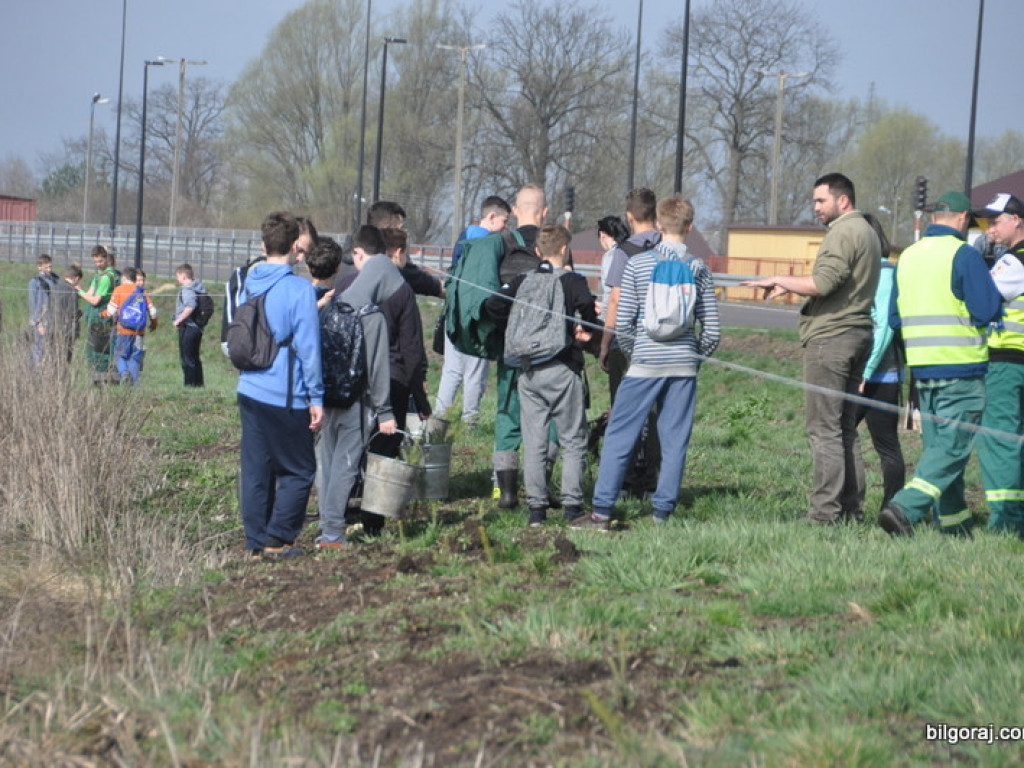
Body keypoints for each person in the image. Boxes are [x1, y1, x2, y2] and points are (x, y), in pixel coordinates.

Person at [743, 173, 881, 525]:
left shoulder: (843, 231)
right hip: (858, 332)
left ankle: (824, 513)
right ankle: (850, 509)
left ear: (843, 200)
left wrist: (779, 280)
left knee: (824, 430)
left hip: (832, 338)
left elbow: (823, 282)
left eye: (821, 200)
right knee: (845, 428)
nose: (816, 207)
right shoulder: (866, 230)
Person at [576, 197, 720, 529]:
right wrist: (693, 358)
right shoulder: (699, 268)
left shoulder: (638, 265)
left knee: (620, 435)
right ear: (690, 227)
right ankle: (662, 512)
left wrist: (635, 352)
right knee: (674, 439)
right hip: (682, 366)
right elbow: (712, 331)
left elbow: (623, 323)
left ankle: (601, 510)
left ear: (658, 225)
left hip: (643, 363)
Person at [877, 191, 1002, 537]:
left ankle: (954, 527)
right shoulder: (963, 255)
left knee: (939, 451)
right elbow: (987, 309)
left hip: (923, 371)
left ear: (933, 219)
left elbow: (895, 319)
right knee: (952, 449)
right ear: (963, 220)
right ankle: (905, 508)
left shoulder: (908, 258)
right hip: (961, 368)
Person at [483, 225, 599, 526]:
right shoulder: (572, 280)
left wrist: (519, 328)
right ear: (565, 250)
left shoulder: (522, 280)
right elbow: (588, 307)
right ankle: (573, 507)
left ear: (537, 252)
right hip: (561, 367)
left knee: (534, 441)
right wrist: (585, 330)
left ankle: (537, 511)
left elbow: (493, 304)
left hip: (528, 370)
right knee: (572, 439)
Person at [237, 211, 324, 559]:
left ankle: (254, 543)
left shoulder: (249, 281)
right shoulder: (299, 290)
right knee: (299, 470)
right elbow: (309, 348)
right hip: (284, 392)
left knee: (256, 470)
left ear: (263, 245)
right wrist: (316, 396)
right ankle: (278, 540)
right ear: (293, 248)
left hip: (249, 388)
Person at [317, 225, 400, 548]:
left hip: (325, 398)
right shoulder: (372, 315)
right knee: (346, 466)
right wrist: (386, 412)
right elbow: (378, 368)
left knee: (327, 462)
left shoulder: (334, 304)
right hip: (356, 402)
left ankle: (325, 526)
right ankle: (334, 534)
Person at [598, 189, 664, 499]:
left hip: (629, 342)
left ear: (629, 217)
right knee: (654, 413)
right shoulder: (669, 248)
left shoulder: (624, 252)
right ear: (654, 215)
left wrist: (605, 343)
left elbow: (615, 299)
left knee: (624, 412)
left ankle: (623, 481)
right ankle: (650, 482)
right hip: (663, 343)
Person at [435, 196, 511, 424]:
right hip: (476, 314)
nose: (505, 227)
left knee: (451, 370)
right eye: (504, 221)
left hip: (454, 312)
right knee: (475, 370)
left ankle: (439, 419)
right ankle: (470, 421)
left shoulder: (464, 236)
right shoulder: (491, 242)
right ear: (491, 216)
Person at [975, 193, 1024, 535]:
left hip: (1008, 360)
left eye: (995, 221)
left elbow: (983, 298)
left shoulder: (1015, 262)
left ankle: (1006, 523)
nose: (989, 228)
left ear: (1016, 220)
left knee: (999, 440)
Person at [853, 214, 906, 514]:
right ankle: (850, 503)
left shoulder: (885, 274)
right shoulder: (867, 274)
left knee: (886, 446)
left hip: (881, 376)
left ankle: (892, 509)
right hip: (865, 373)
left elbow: (883, 328)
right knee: (843, 433)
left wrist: (866, 372)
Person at [104, 267, 157, 386]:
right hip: (139, 332)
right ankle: (134, 386)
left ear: (124, 278)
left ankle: (124, 373)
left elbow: (110, 311)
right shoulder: (142, 292)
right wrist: (154, 323)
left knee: (119, 356)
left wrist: (110, 315)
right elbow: (153, 311)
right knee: (135, 358)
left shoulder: (118, 290)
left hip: (123, 330)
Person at [77, 245, 120, 383]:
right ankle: (95, 378)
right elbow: (90, 293)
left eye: (100, 261)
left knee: (101, 349)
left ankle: (103, 379)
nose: (98, 264)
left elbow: (95, 300)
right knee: (92, 347)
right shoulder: (98, 275)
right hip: (94, 316)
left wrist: (79, 291)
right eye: (95, 262)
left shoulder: (107, 277)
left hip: (101, 316)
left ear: (106, 258)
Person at [172, 263, 207, 388]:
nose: (177, 279)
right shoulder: (199, 287)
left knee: (187, 358)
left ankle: (190, 385)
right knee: (194, 357)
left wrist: (179, 319)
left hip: (189, 327)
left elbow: (190, 306)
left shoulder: (187, 289)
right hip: (197, 328)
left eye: (178, 276)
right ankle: (199, 384)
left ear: (183, 276)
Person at [27, 254, 60, 367]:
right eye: (46, 267)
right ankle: (33, 372)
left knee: (50, 349)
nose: (49, 269)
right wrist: (37, 323)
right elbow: (33, 303)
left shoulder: (54, 280)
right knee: (38, 348)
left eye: (50, 266)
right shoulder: (35, 282)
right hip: (41, 320)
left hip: (52, 318)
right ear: (39, 267)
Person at [596, 215, 630, 316]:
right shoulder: (630, 251)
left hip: (615, 315)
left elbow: (610, 292)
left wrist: (603, 316)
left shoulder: (610, 256)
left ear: (602, 235)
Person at [51, 264, 83, 364]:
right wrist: (81, 312)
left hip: (54, 327)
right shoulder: (72, 291)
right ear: (76, 278)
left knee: (55, 357)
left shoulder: (54, 288)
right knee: (66, 360)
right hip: (68, 330)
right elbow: (73, 313)